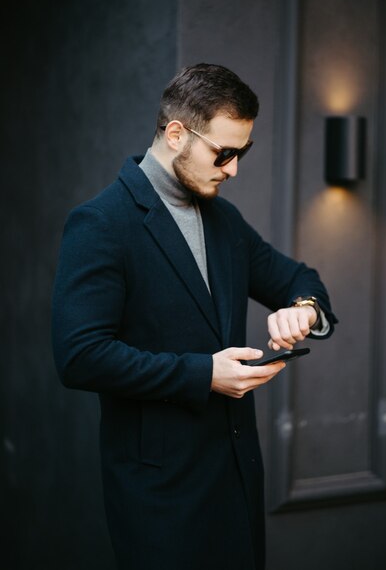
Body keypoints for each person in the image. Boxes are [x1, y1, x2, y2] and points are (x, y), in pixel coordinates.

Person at [52, 63, 337, 570]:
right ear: (177, 133)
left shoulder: (225, 219)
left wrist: (302, 310)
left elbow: (299, 277)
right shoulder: (100, 223)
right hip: (160, 500)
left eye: (242, 153)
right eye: (223, 153)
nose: (233, 170)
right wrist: (205, 374)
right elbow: (80, 356)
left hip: (239, 484)